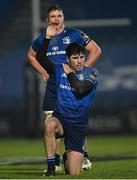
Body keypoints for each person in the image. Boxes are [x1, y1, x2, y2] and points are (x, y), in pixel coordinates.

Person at [27, 4, 101, 172]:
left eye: (59, 16)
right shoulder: (42, 39)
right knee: (52, 122)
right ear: (47, 20)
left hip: (72, 82)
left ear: (63, 18)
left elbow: (95, 50)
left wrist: (80, 72)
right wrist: (42, 71)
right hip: (54, 84)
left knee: (75, 117)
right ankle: (55, 163)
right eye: (52, 16)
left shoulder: (74, 34)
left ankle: (84, 156)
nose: (56, 19)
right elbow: (32, 56)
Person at [36, 37, 99, 176]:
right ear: (68, 59)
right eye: (75, 57)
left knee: (74, 173)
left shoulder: (92, 73)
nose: (80, 60)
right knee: (49, 124)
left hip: (78, 125)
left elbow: (81, 90)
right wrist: (47, 38)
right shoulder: (58, 69)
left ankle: (67, 158)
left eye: (82, 57)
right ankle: (51, 167)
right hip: (61, 120)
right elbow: (40, 57)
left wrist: (69, 73)